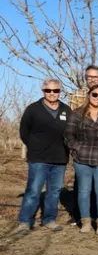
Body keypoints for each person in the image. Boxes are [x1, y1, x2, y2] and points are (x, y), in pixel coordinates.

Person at [15, 79, 72, 235]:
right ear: (43, 91)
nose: (52, 94)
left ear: (60, 91)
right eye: (48, 91)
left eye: (55, 91)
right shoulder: (33, 109)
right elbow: (24, 132)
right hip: (38, 158)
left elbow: (71, 133)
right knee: (33, 190)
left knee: (54, 191)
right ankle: (25, 222)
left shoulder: (66, 110)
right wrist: (34, 146)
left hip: (60, 158)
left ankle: (49, 220)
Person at [64, 84, 98, 235]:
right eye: (95, 95)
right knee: (83, 191)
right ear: (89, 95)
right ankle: (85, 221)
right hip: (82, 158)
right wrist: (77, 148)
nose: (97, 98)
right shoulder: (76, 114)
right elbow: (68, 135)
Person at [67, 65, 98, 225]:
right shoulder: (76, 96)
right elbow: (71, 127)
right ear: (85, 78)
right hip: (82, 151)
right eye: (89, 77)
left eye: (96, 77)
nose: (92, 79)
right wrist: (76, 148)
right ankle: (80, 215)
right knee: (81, 186)